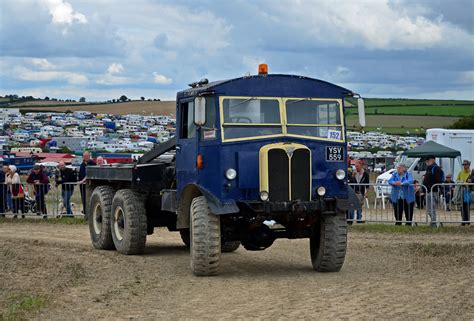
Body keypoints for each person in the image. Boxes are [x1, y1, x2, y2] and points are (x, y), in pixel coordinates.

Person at [422, 155, 444, 227]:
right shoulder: (428, 168)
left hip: (434, 190)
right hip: (428, 190)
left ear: (433, 160)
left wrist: (429, 184)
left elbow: (438, 180)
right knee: (428, 209)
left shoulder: (436, 168)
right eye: (426, 161)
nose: (427, 162)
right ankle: (433, 221)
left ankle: (434, 223)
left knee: (432, 208)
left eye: (428, 161)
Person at [348, 159, 369, 224]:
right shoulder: (352, 173)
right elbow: (350, 182)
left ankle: (359, 219)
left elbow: (367, 185)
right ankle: (350, 220)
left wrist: (366, 192)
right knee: (351, 206)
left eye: (357, 166)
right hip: (353, 192)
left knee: (359, 206)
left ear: (361, 166)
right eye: (355, 166)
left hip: (360, 192)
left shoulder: (365, 174)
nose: (356, 167)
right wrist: (353, 176)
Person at [79, 151, 95, 217]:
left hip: (89, 185)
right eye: (84, 156)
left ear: (89, 156)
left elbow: (90, 174)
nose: (85, 157)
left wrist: (83, 180)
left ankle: (89, 214)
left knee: (88, 199)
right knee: (83, 199)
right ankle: (85, 212)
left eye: (86, 156)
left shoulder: (92, 163)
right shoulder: (82, 164)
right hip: (82, 185)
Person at [456, 160, 472, 226]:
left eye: (466, 164)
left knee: (467, 207)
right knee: (462, 207)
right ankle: (463, 221)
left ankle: (467, 221)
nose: (464, 166)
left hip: (468, 191)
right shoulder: (460, 172)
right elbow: (457, 180)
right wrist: (461, 181)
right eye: (463, 164)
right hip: (462, 191)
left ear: (468, 165)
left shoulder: (471, 173)